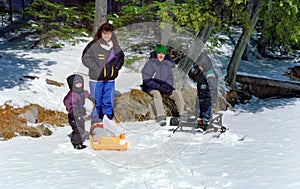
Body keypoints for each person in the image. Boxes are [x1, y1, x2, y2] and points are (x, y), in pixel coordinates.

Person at [81, 23, 124, 125]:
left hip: (110, 80)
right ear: (100, 33)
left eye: (109, 33)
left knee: (108, 102)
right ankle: (95, 123)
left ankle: (108, 122)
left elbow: (121, 58)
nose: (106, 36)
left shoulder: (115, 46)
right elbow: (85, 58)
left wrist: (116, 68)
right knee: (96, 102)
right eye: (104, 33)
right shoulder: (94, 45)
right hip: (96, 80)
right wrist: (95, 68)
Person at [141, 44, 188, 126]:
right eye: (159, 53)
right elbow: (146, 79)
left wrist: (168, 87)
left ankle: (182, 114)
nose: (161, 55)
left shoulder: (167, 64)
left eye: (163, 53)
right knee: (157, 94)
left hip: (164, 87)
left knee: (177, 92)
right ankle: (161, 116)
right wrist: (158, 86)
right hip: (151, 87)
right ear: (156, 54)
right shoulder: (150, 63)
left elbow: (170, 78)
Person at [63, 74, 95, 150]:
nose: (79, 85)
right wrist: (75, 110)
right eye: (77, 84)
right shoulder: (72, 95)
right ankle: (77, 144)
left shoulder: (83, 92)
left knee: (81, 127)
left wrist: (92, 99)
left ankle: (80, 137)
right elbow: (68, 103)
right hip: (73, 115)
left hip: (81, 114)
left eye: (80, 83)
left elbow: (88, 96)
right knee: (77, 130)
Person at [188, 52, 218, 131]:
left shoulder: (210, 74)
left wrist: (207, 94)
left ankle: (206, 121)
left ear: (204, 65)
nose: (199, 68)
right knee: (198, 107)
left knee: (205, 107)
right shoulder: (202, 73)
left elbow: (212, 87)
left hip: (208, 96)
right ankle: (199, 120)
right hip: (202, 95)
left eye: (200, 66)